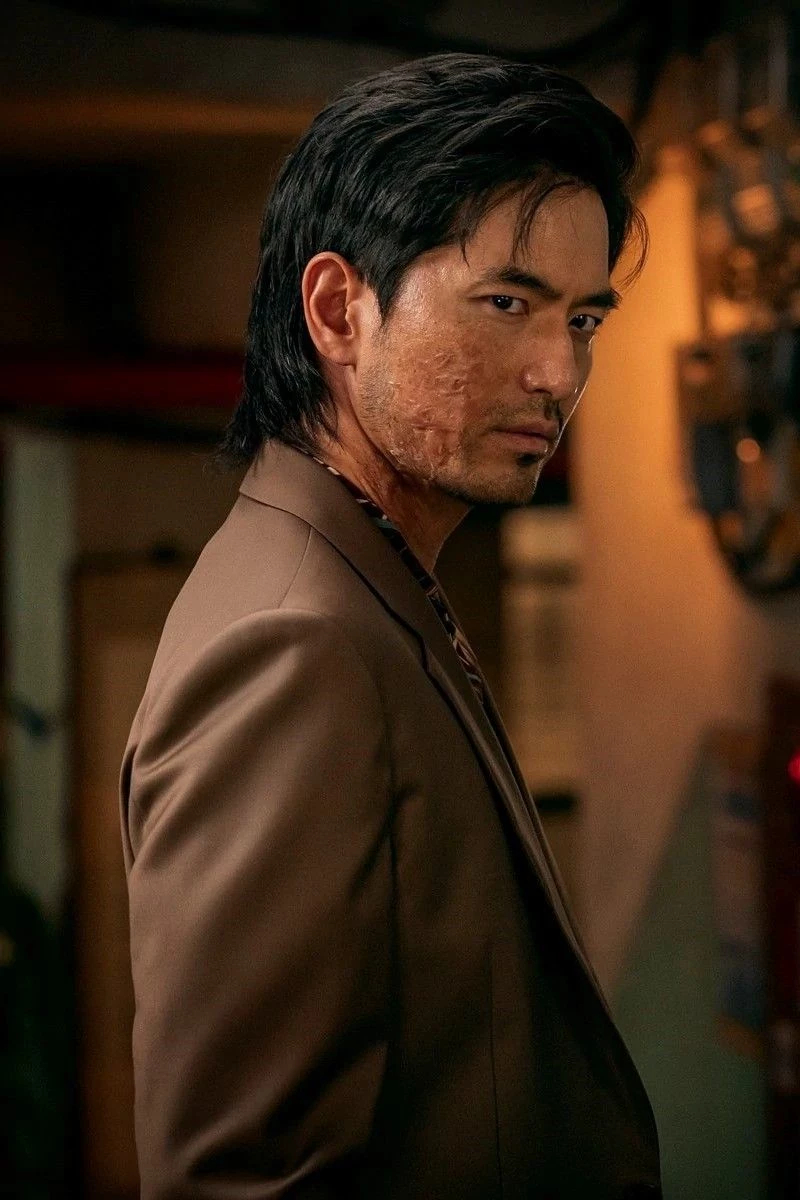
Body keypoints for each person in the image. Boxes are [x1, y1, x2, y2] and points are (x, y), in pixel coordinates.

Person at [120, 53, 661, 1199]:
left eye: (582, 317)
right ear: (337, 311)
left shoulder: (362, 576)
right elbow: (241, 1179)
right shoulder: (296, 646)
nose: (558, 371)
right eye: (505, 303)